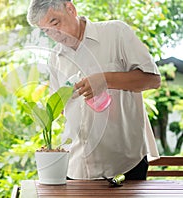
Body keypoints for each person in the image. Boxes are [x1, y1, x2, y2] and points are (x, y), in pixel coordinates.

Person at [27, 0, 161, 180]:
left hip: (123, 165)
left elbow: (153, 80)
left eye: (55, 23)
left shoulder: (116, 33)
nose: (54, 35)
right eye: (46, 31)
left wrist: (106, 80)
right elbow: (58, 109)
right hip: (75, 169)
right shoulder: (55, 58)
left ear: (70, 8)